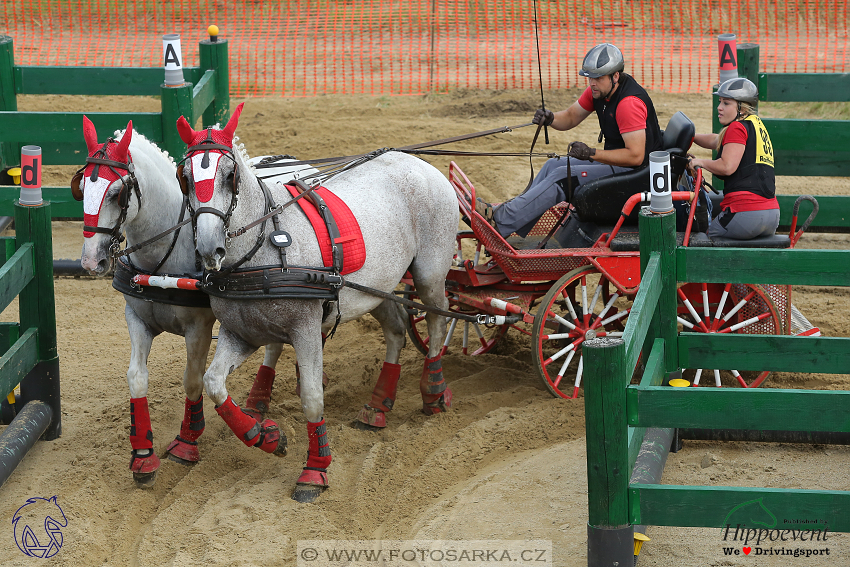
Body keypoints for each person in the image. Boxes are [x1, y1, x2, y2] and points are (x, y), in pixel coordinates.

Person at [476, 43, 663, 239]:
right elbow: (571, 116)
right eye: (589, 77)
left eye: (597, 78)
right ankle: (514, 225)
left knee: (564, 176)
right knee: (552, 165)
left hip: (637, 175)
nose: (592, 83)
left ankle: (501, 221)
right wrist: (550, 119)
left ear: (615, 76)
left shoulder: (628, 104)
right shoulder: (601, 91)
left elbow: (635, 156)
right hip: (621, 165)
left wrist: (592, 153)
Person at [689, 77, 778, 240]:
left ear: (742, 109)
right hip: (771, 214)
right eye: (720, 102)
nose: (719, 107)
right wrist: (691, 137)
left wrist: (700, 162)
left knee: (704, 241)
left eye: (726, 103)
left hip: (746, 213)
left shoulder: (737, 128)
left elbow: (727, 166)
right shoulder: (754, 124)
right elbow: (716, 140)